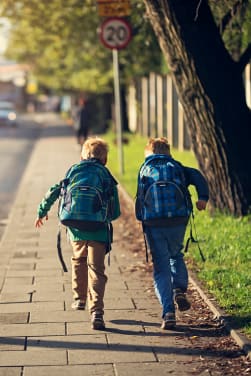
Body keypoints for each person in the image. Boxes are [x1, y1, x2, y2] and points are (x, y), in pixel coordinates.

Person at [35, 137, 120, 330]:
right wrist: (109, 217)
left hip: (75, 227)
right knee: (96, 270)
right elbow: (114, 207)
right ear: (104, 158)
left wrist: (42, 211)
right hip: (98, 229)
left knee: (78, 260)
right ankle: (97, 311)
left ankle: (79, 298)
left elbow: (55, 190)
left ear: (83, 155)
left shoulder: (74, 170)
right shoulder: (105, 174)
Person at [135, 137, 209, 330]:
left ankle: (168, 312)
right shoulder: (178, 166)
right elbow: (199, 177)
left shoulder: (145, 169)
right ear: (168, 151)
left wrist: (141, 219)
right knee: (176, 255)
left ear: (148, 153)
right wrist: (203, 198)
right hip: (178, 220)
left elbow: (139, 199)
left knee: (161, 265)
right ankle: (179, 288)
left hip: (154, 222)